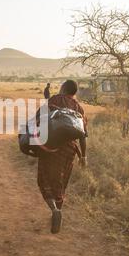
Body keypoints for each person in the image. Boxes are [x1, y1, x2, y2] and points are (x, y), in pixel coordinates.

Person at [37, 80, 88, 233]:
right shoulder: (79, 108)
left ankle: (54, 210)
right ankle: (58, 209)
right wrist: (83, 157)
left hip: (50, 149)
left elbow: (39, 118)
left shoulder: (54, 100)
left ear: (63, 88)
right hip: (69, 151)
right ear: (74, 93)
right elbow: (83, 135)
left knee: (44, 180)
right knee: (60, 182)